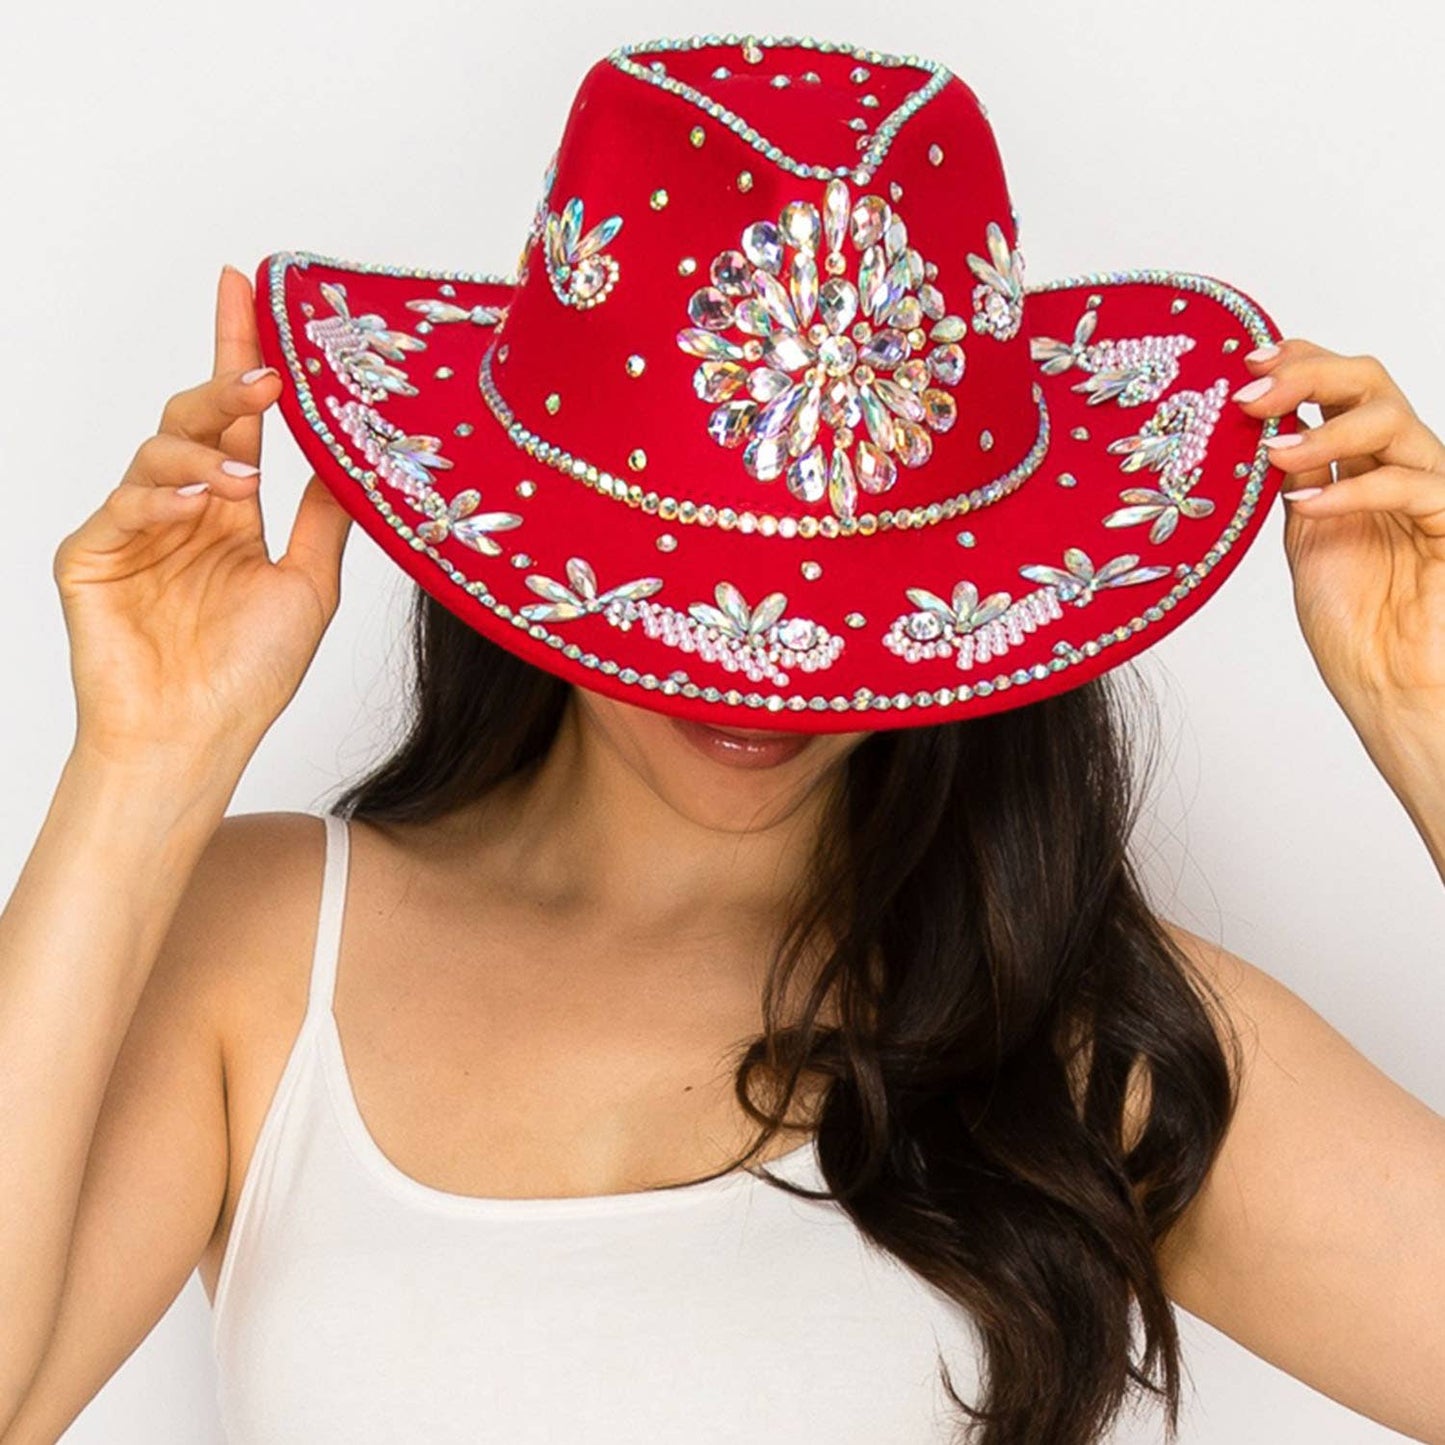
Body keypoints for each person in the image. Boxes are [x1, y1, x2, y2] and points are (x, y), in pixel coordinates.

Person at [5, 38, 1445, 1439]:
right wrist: (140, 766)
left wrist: (1422, 713)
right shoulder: (264, 950)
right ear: (534, 528)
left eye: (856, 598)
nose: (766, 680)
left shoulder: (1088, 1032)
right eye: (684, 586)